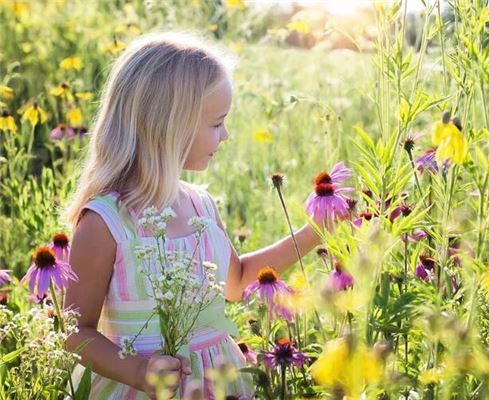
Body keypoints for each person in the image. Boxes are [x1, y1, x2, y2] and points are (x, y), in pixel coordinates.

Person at [63, 31, 323, 399]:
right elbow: (75, 332)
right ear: (169, 127)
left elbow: (237, 282)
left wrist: (315, 231)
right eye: (217, 123)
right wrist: (138, 370)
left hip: (219, 383)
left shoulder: (201, 205)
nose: (226, 135)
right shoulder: (106, 222)